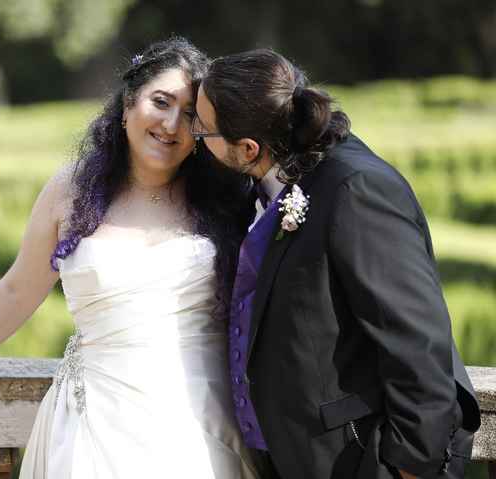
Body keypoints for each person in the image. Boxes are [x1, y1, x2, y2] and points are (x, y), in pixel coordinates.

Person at [0, 37, 259, 478]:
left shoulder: (225, 201)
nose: (170, 124)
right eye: (159, 102)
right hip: (92, 426)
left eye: (189, 115)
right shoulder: (69, 192)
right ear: (128, 103)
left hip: (198, 420)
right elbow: (16, 291)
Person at [191, 48, 481, 479]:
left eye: (202, 129)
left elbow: (416, 343)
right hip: (290, 456)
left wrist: (409, 467)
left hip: (356, 461)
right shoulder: (272, 176)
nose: (194, 133)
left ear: (248, 148)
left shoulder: (357, 191)